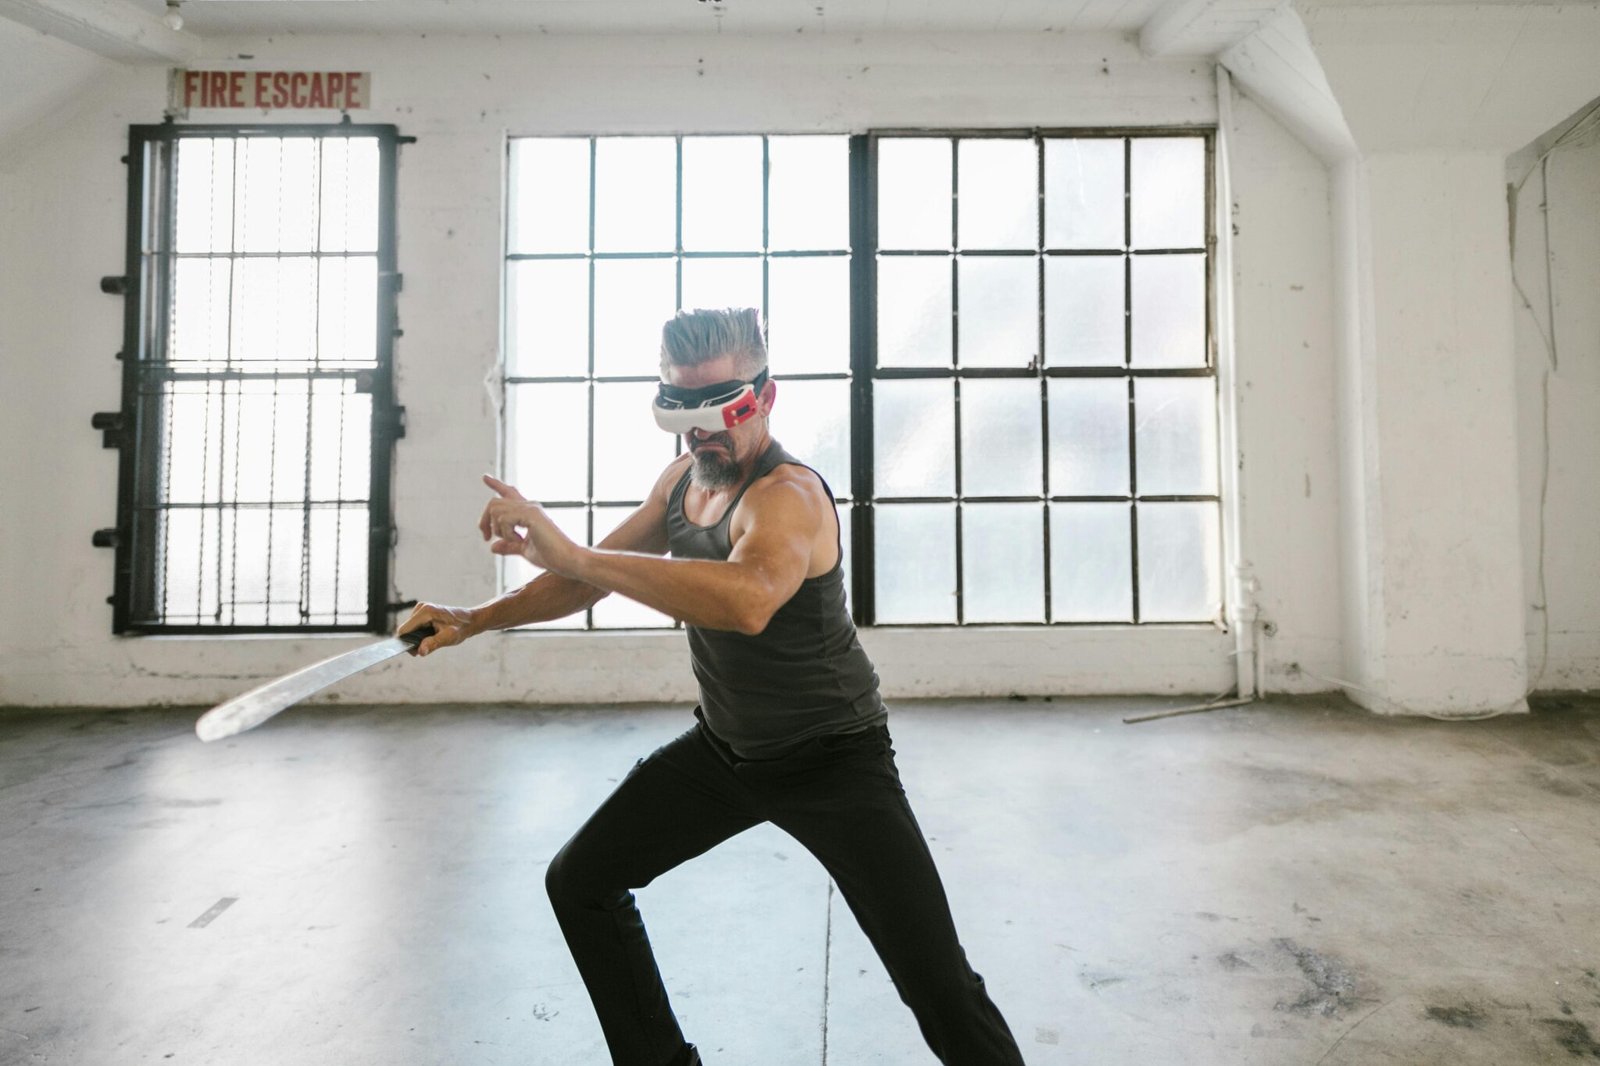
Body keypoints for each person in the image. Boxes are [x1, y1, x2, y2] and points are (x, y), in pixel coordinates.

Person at [401, 307, 1025, 1066]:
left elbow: (748, 600)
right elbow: (582, 582)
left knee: (937, 986)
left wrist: (576, 556)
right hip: (726, 755)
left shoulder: (785, 498)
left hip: (835, 761)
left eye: (717, 405)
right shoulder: (683, 481)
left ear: (763, 396)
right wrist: (474, 618)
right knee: (582, 883)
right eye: (682, 407)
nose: (701, 430)